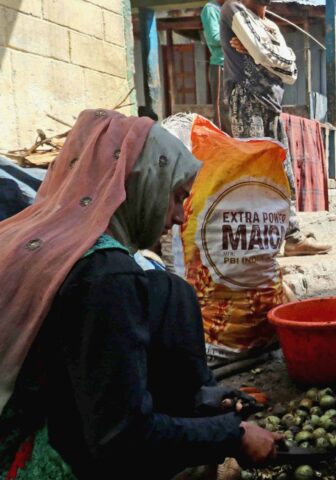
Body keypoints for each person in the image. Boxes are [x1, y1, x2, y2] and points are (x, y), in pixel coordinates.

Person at [0, 110, 281, 479]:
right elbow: (124, 438)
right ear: (142, 183)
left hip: (24, 434)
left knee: (171, 290)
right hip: (44, 463)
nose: (181, 216)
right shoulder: (106, 276)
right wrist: (234, 435)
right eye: (176, 197)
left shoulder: (35, 238)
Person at [221, 0, 331, 256]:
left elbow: (291, 71)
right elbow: (264, 55)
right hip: (247, 97)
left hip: (272, 105)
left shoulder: (270, 25)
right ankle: (257, 247)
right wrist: (264, 54)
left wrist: (261, 52)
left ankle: (292, 238)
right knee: (256, 173)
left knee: (283, 173)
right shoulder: (233, 9)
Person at [200, 0, 231, 134]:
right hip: (220, 64)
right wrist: (237, 37)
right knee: (222, 107)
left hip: (233, 65)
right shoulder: (210, 9)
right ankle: (225, 142)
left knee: (233, 106)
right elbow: (213, 38)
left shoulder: (227, 9)